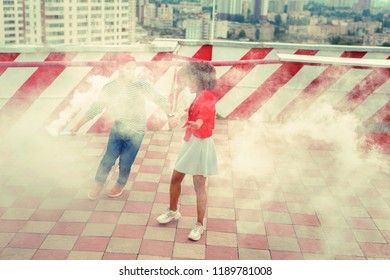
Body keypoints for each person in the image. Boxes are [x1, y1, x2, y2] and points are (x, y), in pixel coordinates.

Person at [70, 60, 173, 200]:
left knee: (125, 162)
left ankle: (120, 183)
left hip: (136, 131)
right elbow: (95, 108)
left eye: (134, 68)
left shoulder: (141, 85)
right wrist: (77, 125)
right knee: (108, 159)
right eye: (129, 68)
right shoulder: (109, 88)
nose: (133, 71)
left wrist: (171, 115)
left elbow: (159, 99)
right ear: (120, 68)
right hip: (118, 128)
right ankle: (99, 183)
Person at [156, 61, 218, 241]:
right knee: (176, 178)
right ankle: (173, 211)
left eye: (188, 79)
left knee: (199, 185)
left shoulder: (207, 97)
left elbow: (205, 114)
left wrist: (197, 122)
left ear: (199, 80)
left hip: (201, 144)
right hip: (191, 141)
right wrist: (182, 116)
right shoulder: (199, 94)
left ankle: (199, 225)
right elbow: (194, 112)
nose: (186, 83)